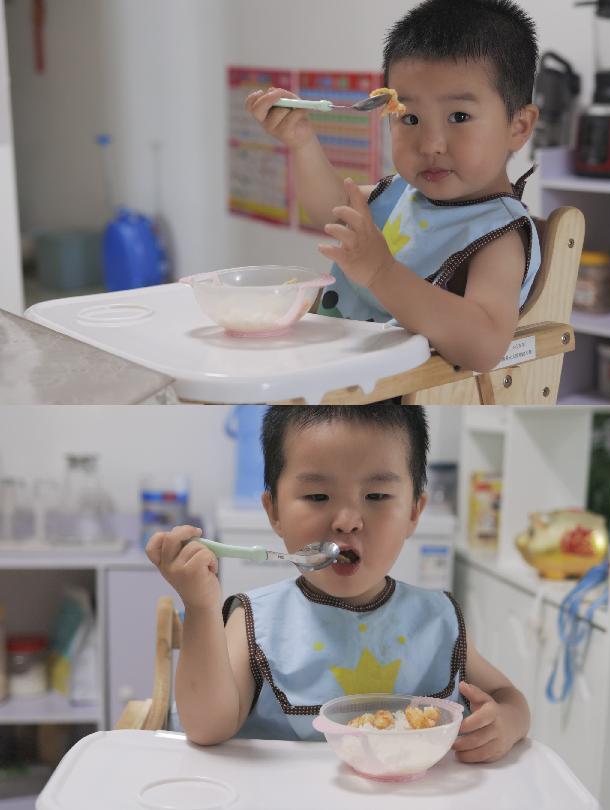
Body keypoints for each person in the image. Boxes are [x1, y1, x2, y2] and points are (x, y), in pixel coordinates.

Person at [147, 404, 530, 763]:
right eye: (318, 496)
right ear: (274, 512)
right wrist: (200, 607)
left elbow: (507, 697)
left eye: (377, 495)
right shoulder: (256, 621)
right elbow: (206, 726)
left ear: (414, 512)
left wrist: (508, 722)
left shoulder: (436, 619)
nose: (347, 520)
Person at [245, 0, 544, 372]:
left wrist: (381, 272)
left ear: (518, 126)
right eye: (411, 118)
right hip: (330, 369)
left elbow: (483, 348)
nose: (431, 143)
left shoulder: (498, 236)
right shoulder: (403, 193)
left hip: (391, 394)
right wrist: (303, 142)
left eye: (459, 116)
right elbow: (332, 210)